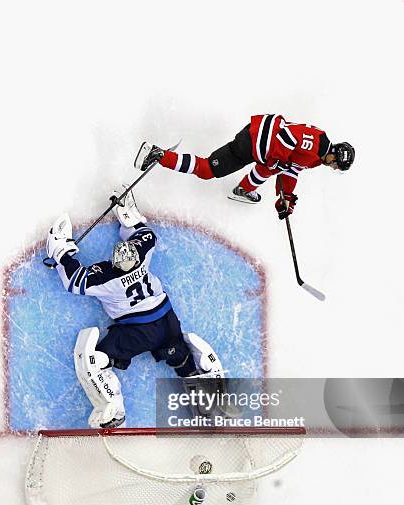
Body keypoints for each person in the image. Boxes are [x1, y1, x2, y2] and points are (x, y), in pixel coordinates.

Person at [46, 187, 223, 429]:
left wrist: (62, 253)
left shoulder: (107, 279)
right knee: (180, 357)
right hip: (167, 321)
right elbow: (146, 235)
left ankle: (112, 408)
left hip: (136, 333)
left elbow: (74, 281)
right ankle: (206, 402)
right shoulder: (142, 254)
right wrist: (128, 218)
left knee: (97, 360)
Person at [134, 113, 355, 217]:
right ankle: (158, 155)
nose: (334, 169)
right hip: (253, 141)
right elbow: (287, 136)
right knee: (208, 170)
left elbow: (292, 169)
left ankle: (244, 189)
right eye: (337, 166)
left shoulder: (317, 159)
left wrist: (286, 198)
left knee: (271, 167)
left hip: (257, 145)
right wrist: (276, 159)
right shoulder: (318, 142)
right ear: (335, 156)